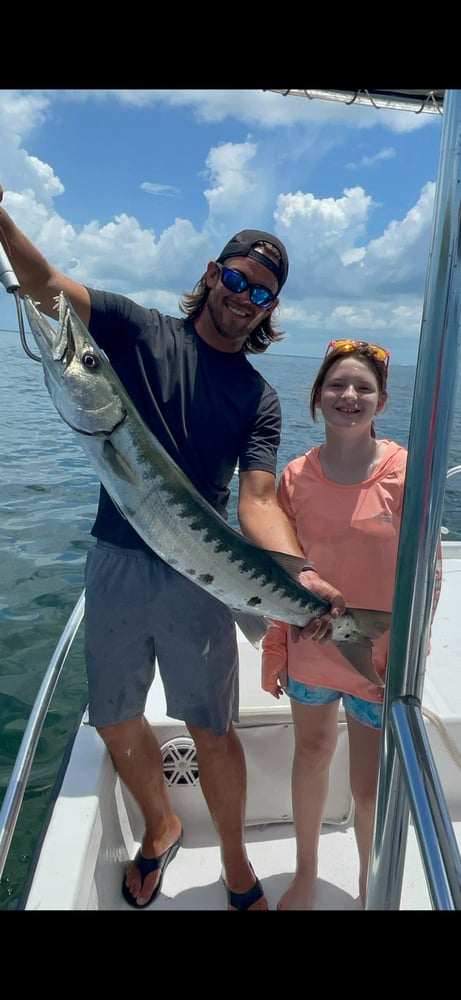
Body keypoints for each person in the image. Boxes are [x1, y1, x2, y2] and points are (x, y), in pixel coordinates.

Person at [0, 191, 346, 912]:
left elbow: (254, 501)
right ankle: (159, 829)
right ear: (212, 272)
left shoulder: (258, 398)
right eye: (237, 277)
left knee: (211, 728)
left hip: (205, 575)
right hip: (118, 559)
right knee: (115, 717)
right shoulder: (132, 330)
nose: (244, 296)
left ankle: (234, 862)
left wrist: (300, 573)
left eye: (262, 292)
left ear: (269, 308)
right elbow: (46, 288)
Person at [262, 339, 442, 910]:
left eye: (363, 387)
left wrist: (408, 649)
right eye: (336, 385)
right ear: (316, 398)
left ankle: (370, 885)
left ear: (382, 401)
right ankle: (306, 873)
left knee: (369, 786)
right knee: (310, 755)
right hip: (312, 652)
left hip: (379, 659)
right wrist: (276, 648)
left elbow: (428, 573)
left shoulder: (406, 471)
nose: (349, 396)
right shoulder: (293, 476)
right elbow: (279, 570)